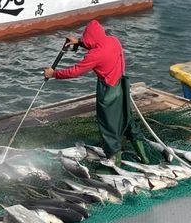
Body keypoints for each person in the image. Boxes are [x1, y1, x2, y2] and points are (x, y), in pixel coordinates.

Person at [43, 20, 146, 165]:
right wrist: (79, 42)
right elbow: (97, 43)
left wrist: (53, 74)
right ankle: (144, 156)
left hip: (108, 91)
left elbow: (75, 71)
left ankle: (115, 160)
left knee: (108, 125)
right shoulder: (113, 40)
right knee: (127, 119)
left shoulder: (94, 55)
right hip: (121, 85)